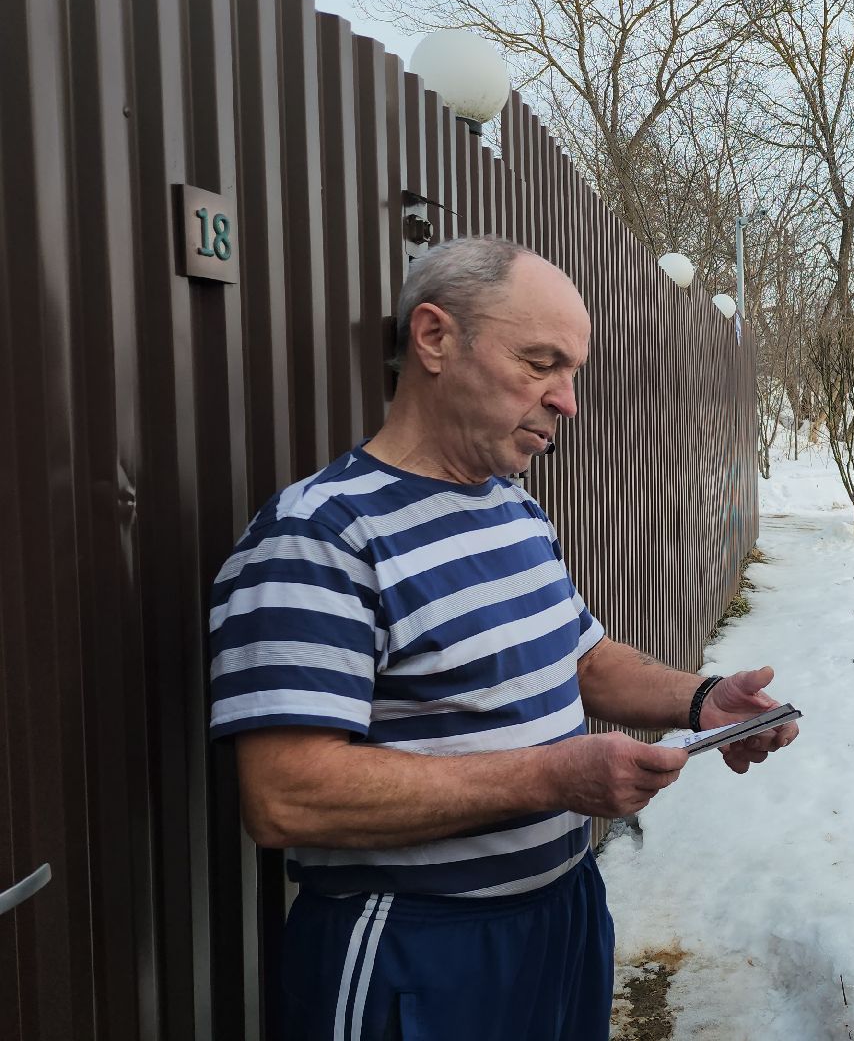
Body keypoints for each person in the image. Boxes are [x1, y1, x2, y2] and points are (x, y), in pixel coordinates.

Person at [207, 236, 799, 1040]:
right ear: (435, 339)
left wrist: (702, 701)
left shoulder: (510, 505)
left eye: (572, 373)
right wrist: (550, 779)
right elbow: (285, 796)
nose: (567, 400)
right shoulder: (321, 535)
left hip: (561, 918)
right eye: (539, 362)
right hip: (414, 946)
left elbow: (582, 658)